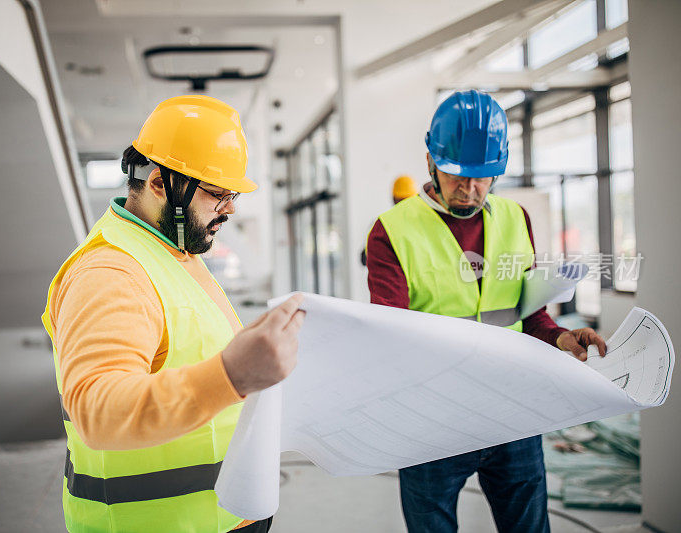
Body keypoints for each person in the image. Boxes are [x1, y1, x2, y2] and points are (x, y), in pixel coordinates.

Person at [42, 95, 305, 533]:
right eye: (217, 193)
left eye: (232, 194)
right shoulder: (111, 273)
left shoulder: (172, 251)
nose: (231, 208)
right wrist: (233, 375)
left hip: (219, 515)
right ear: (161, 183)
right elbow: (97, 411)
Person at [366, 90, 608, 532]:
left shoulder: (515, 218)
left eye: (484, 177)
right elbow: (388, 338)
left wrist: (560, 336)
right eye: (457, 175)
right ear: (430, 162)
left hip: (511, 412)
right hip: (432, 423)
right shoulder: (392, 232)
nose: (470, 189)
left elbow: (528, 314)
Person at [361, 175, 418, 266]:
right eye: (401, 201)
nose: (403, 205)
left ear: (393, 198)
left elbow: (364, 258)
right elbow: (364, 258)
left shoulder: (382, 224)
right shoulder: (382, 224)